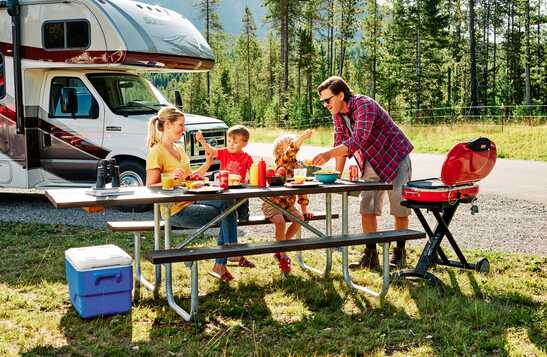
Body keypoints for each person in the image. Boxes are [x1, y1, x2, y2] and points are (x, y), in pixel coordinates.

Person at [312, 76, 413, 269]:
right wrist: (335, 176)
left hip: (395, 157)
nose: (325, 105)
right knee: (367, 207)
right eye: (322, 102)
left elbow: (358, 140)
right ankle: (371, 255)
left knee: (399, 207)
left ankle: (399, 254)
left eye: (328, 100)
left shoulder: (364, 105)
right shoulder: (338, 115)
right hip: (373, 161)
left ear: (341, 95)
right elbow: (340, 143)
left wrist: (327, 154)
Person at [145, 106, 254, 283]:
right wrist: (170, 178)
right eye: (180, 125)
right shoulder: (156, 152)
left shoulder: (179, 150)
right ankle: (231, 254)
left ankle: (223, 262)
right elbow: (150, 186)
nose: (183, 129)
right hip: (175, 211)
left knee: (228, 204)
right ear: (167, 125)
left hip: (191, 201)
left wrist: (207, 164)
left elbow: (190, 178)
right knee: (228, 210)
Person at [263, 129, 314, 273]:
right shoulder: (281, 162)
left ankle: (279, 248)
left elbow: (302, 189)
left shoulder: (298, 166)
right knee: (280, 221)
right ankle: (283, 255)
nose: (294, 146)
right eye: (290, 144)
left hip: (287, 204)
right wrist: (302, 138)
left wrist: (304, 210)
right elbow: (290, 152)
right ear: (280, 150)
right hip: (272, 202)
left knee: (299, 219)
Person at [195, 125, 253, 221]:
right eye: (229, 141)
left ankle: (243, 216)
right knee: (227, 209)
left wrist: (250, 181)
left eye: (235, 142)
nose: (231, 144)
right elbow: (211, 151)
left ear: (244, 144)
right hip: (224, 186)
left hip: (239, 189)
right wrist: (202, 141)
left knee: (243, 201)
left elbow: (253, 172)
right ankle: (227, 219)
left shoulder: (247, 157)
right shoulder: (224, 152)